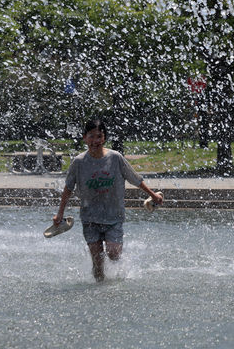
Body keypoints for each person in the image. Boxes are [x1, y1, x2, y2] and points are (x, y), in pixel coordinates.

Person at [53, 118, 163, 282]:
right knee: (97, 261)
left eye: (99, 136)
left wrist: (153, 195)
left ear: (104, 138)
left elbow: (134, 179)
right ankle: (100, 292)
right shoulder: (78, 162)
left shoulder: (115, 158)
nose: (95, 141)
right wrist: (59, 214)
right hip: (90, 218)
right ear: (84, 138)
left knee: (113, 253)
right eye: (91, 136)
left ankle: (122, 274)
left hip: (113, 216)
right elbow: (68, 188)